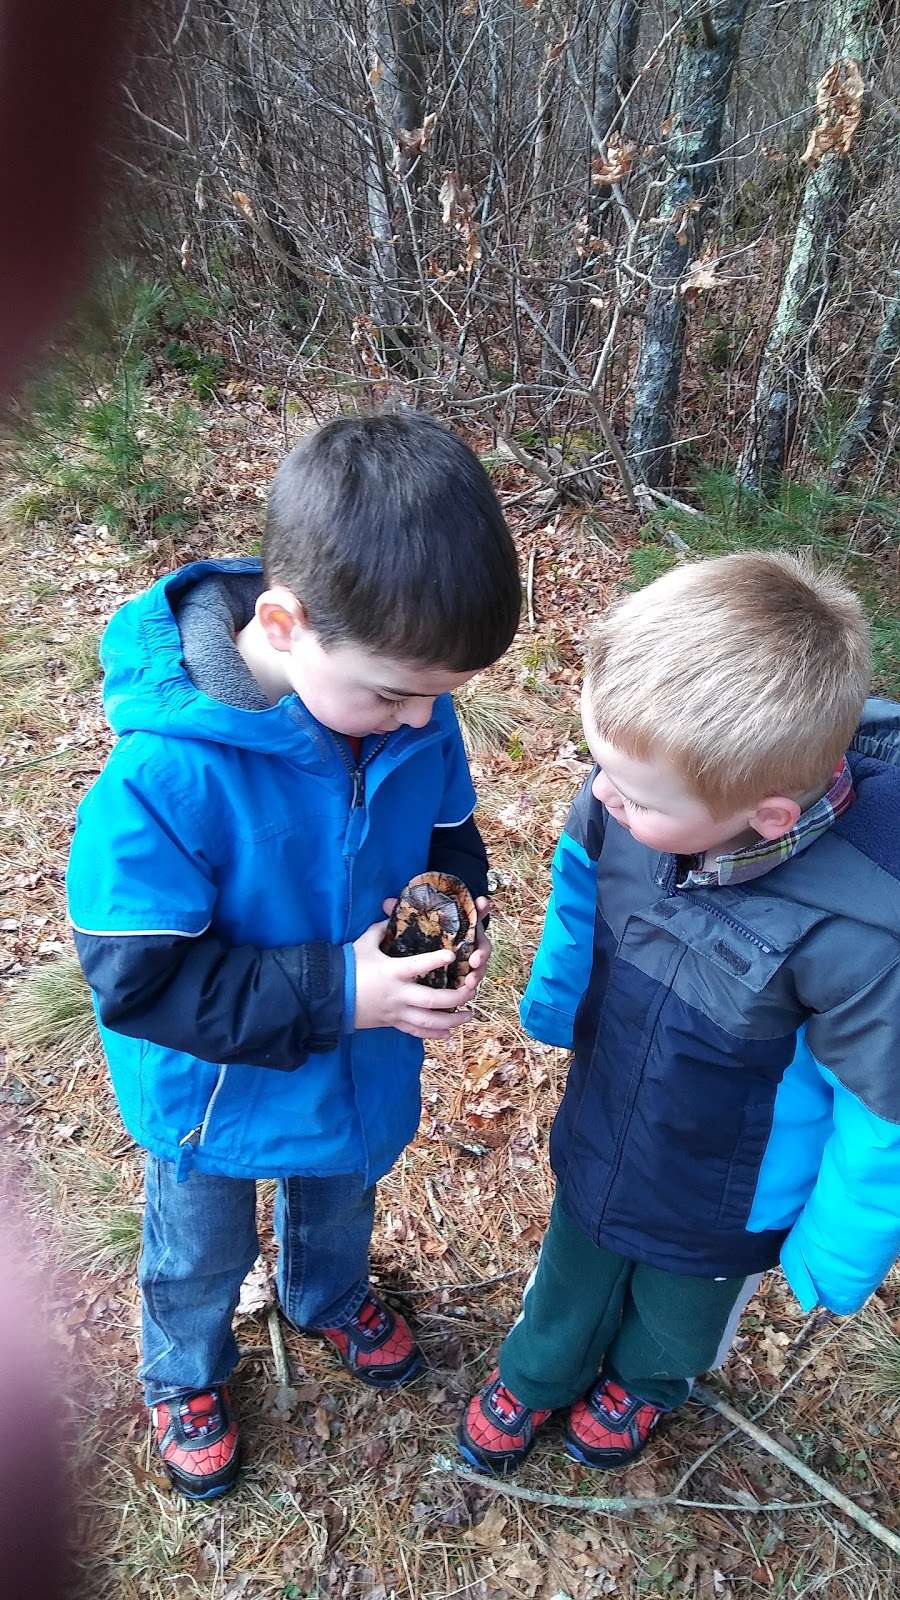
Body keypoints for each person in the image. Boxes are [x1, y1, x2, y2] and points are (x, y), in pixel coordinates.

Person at [67, 410, 521, 1500]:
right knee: (199, 1245)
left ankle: (326, 1296)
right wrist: (340, 988)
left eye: (441, 695)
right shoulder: (162, 780)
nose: (421, 720)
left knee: (339, 1190)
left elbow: (446, 828)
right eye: (394, 693)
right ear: (284, 621)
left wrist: (452, 911)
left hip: (352, 1066)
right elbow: (139, 980)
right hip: (213, 1088)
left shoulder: (409, 710)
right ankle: (184, 1368)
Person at [459, 551, 900, 1476]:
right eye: (601, 768)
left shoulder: (861, 930)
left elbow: (883, 1113)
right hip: (611, 1114)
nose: (603, 797)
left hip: (733, 1191)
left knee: (682, 1309)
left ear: (768, 815)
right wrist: (556, 996)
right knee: (572, 1262)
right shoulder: (626, 805)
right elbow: (579, 888)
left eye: (637, 796)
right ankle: (537, 1372)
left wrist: (838, 1248)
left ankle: (648, 1386)